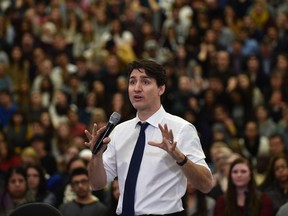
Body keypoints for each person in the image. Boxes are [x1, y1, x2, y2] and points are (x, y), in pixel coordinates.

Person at [85, 59, 213, 215]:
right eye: (132, 82)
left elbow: (206, 184)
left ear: (161, 88)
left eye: (145, 82)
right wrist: (96, 156)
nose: (137, 88)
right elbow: (96, 184)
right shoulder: (119, 131)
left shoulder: (182, 129)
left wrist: (179, 157)